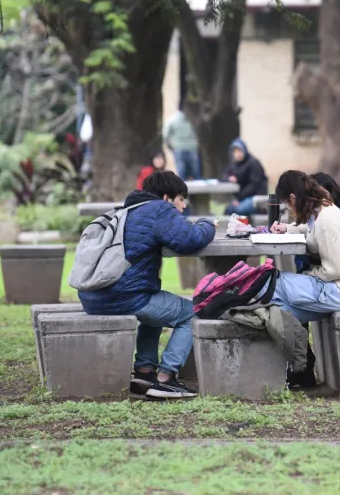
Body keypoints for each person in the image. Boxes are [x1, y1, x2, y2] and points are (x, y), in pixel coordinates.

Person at [77, 171, 215, 400]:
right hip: (123, 297)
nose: (182, 207)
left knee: (156, 301)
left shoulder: (126, 210)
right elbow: (191, 239)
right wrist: (206, 223)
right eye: (181, 200)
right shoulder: (159, 209)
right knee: (194, 312)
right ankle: (165, 378)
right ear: (166, 197)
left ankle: (144, 371)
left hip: (94, 296)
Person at [269, 171, 340, 324]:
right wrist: (287, 228)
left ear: (293, 198)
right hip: (337, 287)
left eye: (286, 204)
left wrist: (307, 275)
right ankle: (299, 348)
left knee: (268, 282)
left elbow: (334, 270)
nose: (288, 209)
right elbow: (310, 228)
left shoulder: (326, 221)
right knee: (279, 310)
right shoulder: (320, 209)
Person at [223, 138, 268, 216]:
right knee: (228, 209)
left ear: (244, 150)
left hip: (256, 198)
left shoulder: (253, 163)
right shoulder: (235, 164)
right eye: (235, 151)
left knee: (235, 210)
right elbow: (225, 175)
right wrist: (229, 178)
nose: (237, 154)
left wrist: (240, 199)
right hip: (242, 198)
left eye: (239, 151)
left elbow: (254, 185)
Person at [163, 110, 202, 180]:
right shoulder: (193, 119)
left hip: (179, 148)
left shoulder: (172, 120)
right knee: (195, 172)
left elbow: (165, 134)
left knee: (182, 172)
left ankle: (182, 189)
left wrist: (170, 146)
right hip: (192, 148)